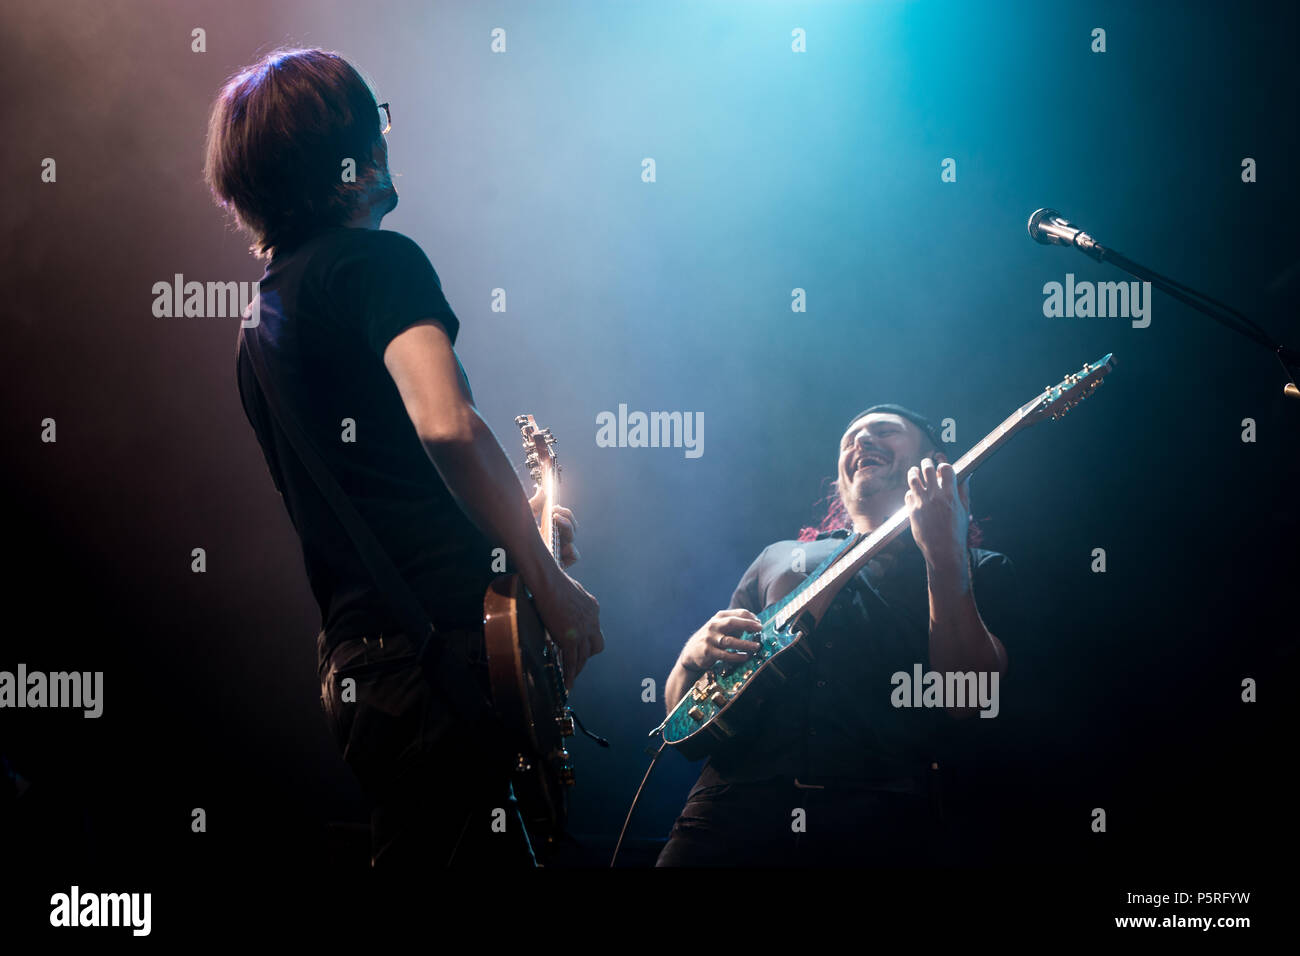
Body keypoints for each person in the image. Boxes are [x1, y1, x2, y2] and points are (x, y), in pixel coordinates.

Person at [204, 48, 603, 869]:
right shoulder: (378, 263)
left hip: (363, 669)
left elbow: (384, 494)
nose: (387, 141)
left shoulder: (259, 327)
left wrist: (514, 532)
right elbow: (449, 428)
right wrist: (553, 586)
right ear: (346, 154)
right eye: (374, 121)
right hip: (438, 667)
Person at [657, 404, 1018, 866]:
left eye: (883, 432)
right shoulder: (780, 557)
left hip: (879, 827)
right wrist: (691, 656)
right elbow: (681, 719)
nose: (861, 442)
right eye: (850, 440)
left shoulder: (980, 568)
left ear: (935, 462)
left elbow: (966, 698)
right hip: (724, 819)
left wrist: (946, 557)